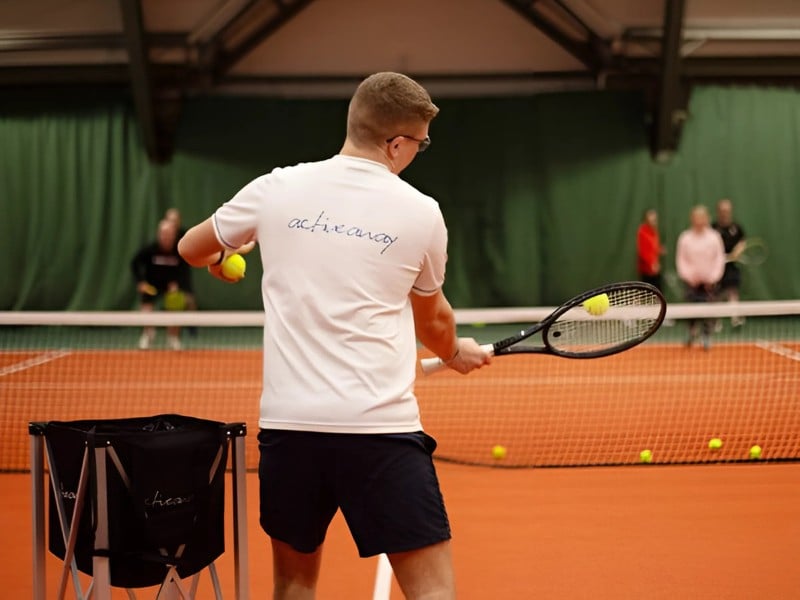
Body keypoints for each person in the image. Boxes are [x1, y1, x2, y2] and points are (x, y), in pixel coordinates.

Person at [178, 72, 490, 599]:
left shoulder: (273, 188)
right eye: (419, 142)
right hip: (382, 432)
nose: (417, 151)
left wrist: (222, 258)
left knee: (295, 585)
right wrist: (454, 351)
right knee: (432, 591)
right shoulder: (421, 212)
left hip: (291, 432)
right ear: (395, 143)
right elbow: (432, 320)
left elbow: (191, 247)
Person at [131, 219, 192, 350]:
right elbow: (135, 263)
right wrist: (140, 282)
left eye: (169, 234)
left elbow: (185, 271)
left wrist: (178, 285)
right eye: (163, 233)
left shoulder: (179, 251)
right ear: (159, 234)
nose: (166, 237)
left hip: (171, 287)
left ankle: (173, 337)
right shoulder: (150, 250)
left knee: (176, 304)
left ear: (174, 235)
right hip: (151, 286)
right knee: (146, 308)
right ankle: (148, 334)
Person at [675, 205, 726, 350]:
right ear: (692, 219)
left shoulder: (714, 237)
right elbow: (681, 260)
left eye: (701, 217)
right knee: (691, 311)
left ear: (706, 218)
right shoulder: (685, 238)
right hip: (691, 284)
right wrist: (690, 277)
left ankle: (706, 337)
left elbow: (719, 259)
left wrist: (713, 278)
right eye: (696, 217)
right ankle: (691, 333)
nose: (699, 220)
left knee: (709, 312)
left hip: (710, 284)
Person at [712, 198, 746, 326]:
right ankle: (715, 321)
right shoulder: (713, 228)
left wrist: (737, 252)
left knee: (733, 291)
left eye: (727, 210)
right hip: (716, 267)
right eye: (722, 210)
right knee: (716, 294)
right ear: (718, 211)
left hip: (732, 266)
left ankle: (735, 318)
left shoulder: (736, 228)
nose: (725, 213)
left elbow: (742, 242)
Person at [636, 209, 664, 290]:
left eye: (655, 218)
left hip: (655, 269)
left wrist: (659, 250)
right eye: (651, 217)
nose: (653, 219)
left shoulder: (655, 232)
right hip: (646, 270)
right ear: (646, 218)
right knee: (647, 291)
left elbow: (654, 247)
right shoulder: (642, 231)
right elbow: (643, 251)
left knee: (658, 291)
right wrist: (651, 264)